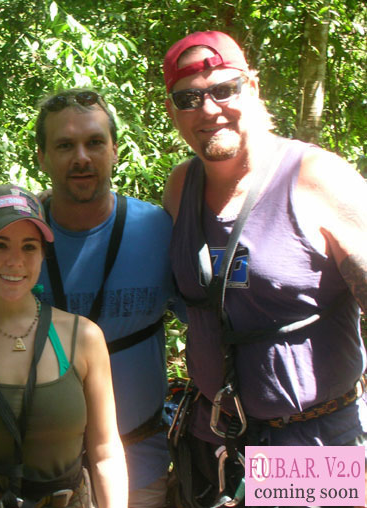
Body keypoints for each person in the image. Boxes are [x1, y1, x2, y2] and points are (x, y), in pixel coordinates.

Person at [162, 30, 367, 507]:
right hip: (215, 439)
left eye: (223, 89)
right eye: (188, 97)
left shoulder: (315, 177)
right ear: (172, 111)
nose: (208, 108)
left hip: (311, 442)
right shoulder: (181, 187)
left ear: (251, 88)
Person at [0, 184, 128, 507]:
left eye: (29, 247)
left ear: (43, 254)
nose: (15, 261)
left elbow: (106, 452)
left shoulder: (83, 338)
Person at [34, 88, 179, 507]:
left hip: (140, 470)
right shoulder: (16, 240)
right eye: (64, 145)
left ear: (115, 150)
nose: (81, 157)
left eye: (95, 142)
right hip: (40, 476)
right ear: (42, 157)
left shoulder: (158, 230)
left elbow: (213, 327)